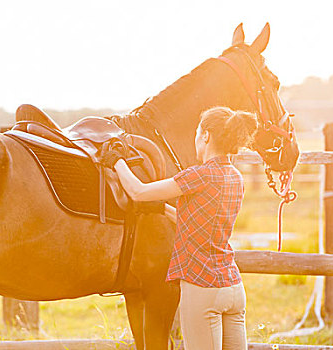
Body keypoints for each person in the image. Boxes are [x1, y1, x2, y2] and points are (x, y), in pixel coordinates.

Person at [110, 106, 258, 349]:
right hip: (232, 286)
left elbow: (137, 191)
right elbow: (198, 222)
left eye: (197, 132)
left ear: (206, 136)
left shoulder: (199, 175)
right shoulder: (234, 176)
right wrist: (162, 210)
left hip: (202, 287)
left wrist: (116, 161)